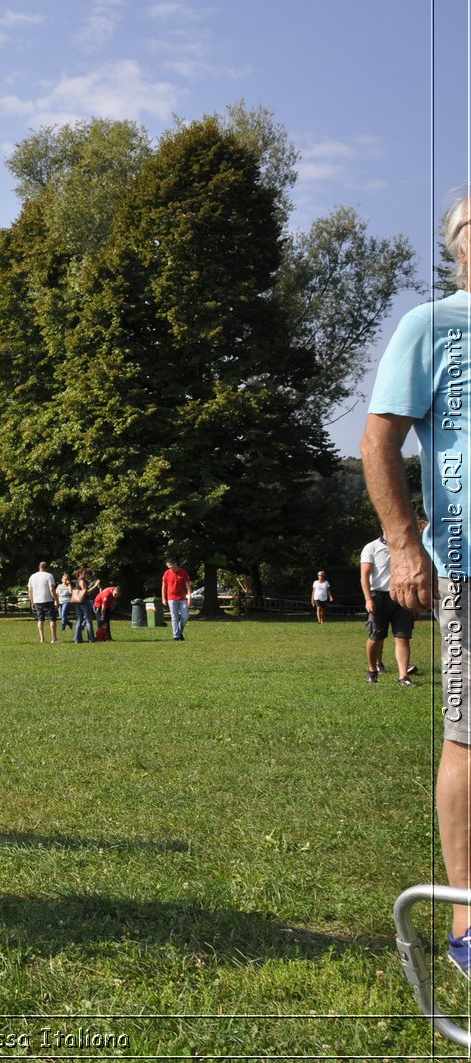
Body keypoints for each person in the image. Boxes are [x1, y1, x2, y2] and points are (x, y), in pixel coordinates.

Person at [361, 189, 471, 975]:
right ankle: (470, 919)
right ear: (460, 245)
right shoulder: (431, 326)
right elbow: (379, 440)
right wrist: (404, 543)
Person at [360, 531, 418, 685]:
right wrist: (368, 599)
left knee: (402, 636)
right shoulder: (371, 548)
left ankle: (403, 677)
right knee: (376, 638)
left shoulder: (405, 547)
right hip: (379, 597)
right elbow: (364, 575)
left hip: (401, 597)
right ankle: (372, 670)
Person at [26, 561, 58, 644]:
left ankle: (42, 638)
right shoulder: (49, 576)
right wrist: (56, 600)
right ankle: (53, 639)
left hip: (37, 600)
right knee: (52, 619)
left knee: (40, 619)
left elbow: (30, 590)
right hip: (48, 600)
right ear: (46, 568)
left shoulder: (32, 576)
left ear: (39, 567)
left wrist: (32, 601)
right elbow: (52, 589)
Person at [161, 558, 191, 641]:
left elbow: (188, 586)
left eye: (170, 566)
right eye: (168, 566)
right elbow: (164, 586)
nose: (169, 568)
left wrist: (189, 598)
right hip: (171, 598)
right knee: (174, 617)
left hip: (182, 598)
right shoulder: (167, 573)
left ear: (175, 564)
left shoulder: (183, 572)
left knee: (185, 616)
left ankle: (179, 631)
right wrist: (164, 598)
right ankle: (176, 636)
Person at [71, 567, 100, 644]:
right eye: (84, 573)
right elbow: (86, 592)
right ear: (80, 573)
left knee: (79, 620)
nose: (86, 574)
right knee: (88, 620)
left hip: (78, 602)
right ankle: (91, 639)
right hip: (84, 602)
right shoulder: (82, 581)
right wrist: (95, 585)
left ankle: (77, 639)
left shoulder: (79, 580)